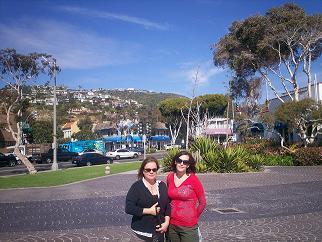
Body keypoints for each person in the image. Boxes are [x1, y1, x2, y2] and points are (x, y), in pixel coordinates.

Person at [125, 157, 171, 242]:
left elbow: (167, 206)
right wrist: (149, 211)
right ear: (143, 171)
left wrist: (167, 223)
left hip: (160, 230)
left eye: (154, 169)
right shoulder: (136, 187)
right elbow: (129, 208)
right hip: (142, 232)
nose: (151, 172)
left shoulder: (162, 185)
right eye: (148, 169)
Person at [167, 151, 207, 242]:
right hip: (172, 224)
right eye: (179, 160)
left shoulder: (193, 179)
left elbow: (202, 202)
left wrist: (193, 217)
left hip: (188, 227)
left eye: (185, 162)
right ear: (175, 162)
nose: (182, 164)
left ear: (188, 165)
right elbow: (169, 199)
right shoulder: (170, 177)